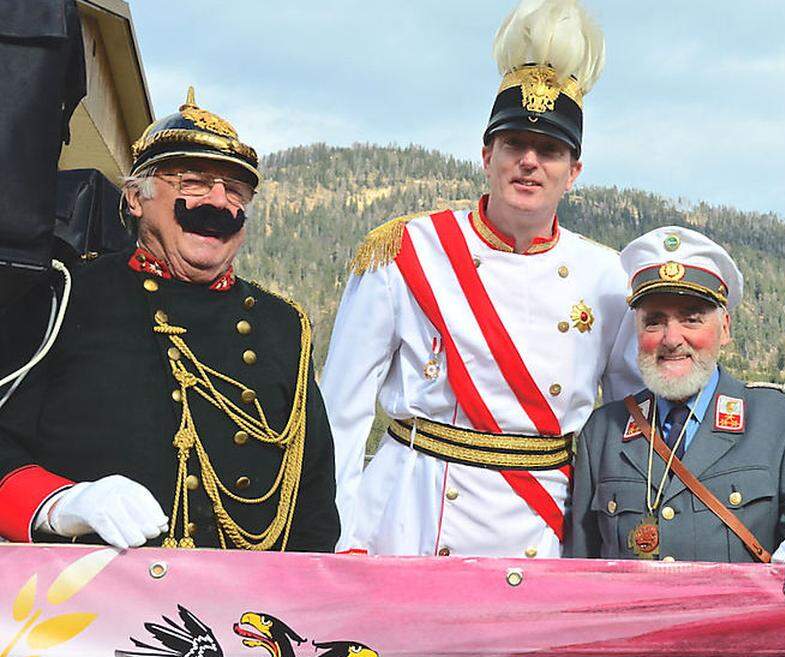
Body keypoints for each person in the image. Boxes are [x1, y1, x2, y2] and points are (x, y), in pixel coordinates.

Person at [323, 0, 639, 558]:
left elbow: (628, 419)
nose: (529, 162)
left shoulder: (607, 276)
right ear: (487, 154)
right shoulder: (406, 249)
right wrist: (342, 534)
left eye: (550, 151)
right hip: (412, 516)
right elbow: (342, 409)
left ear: (575, 172)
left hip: (542, 522)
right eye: (515, 144)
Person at [0, 88, 339, 551]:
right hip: (83, 602)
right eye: (194, 183)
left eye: (236, 191)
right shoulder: (63, 296)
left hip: (239, 610)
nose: (219, 203)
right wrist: (61, 504)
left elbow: (313, 498)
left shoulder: (284, 325)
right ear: (136, 199)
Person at [565, 227, 785, 604]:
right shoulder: (602, 433)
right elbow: (580, 565)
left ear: (726, 328)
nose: (671, 338)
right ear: (637, 331)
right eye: (654, 321)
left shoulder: (782, 421)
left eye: (691, 318)